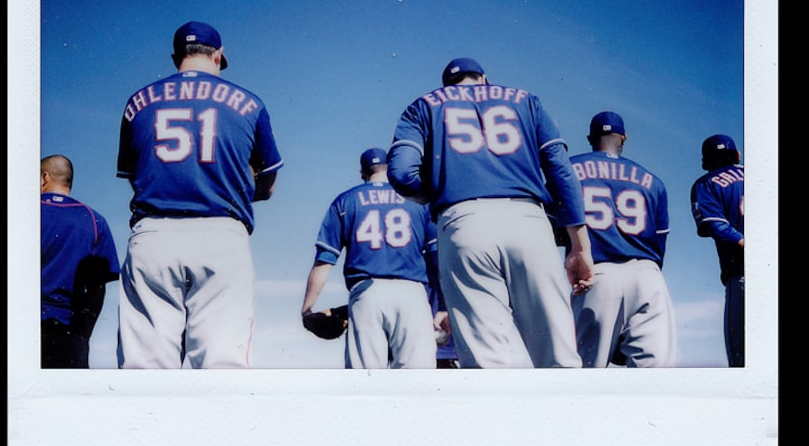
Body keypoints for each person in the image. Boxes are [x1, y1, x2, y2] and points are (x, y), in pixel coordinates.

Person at [387, 57, 594, 368]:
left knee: (487, 366)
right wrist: (579, 245)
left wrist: (441, 191)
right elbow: (560, 169)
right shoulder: (526, 100)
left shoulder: (423, 105)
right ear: (484, 79)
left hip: (463, 221)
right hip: (528, 221)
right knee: (559, 358)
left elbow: (402, 174)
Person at [116, 21, 283, 369]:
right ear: (218, 56)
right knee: (222, 365)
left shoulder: (137, 102)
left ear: (176, 56)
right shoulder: (249, 103)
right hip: (221, 233)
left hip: (153, 233)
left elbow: (135, 177)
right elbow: (268, 183)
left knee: (144, 370)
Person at [301, 148, 438, 369]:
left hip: (366, 293)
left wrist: (307, 308)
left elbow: (325, 260)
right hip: (412, 293)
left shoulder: (346, 200)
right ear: (390, 169)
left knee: (365, 385)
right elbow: (435, 256)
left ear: (362, 172)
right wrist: (440, 306)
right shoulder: (418, 201)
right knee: (418, 384)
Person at [568, 111, 678, 368]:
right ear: (623, 138)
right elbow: (660, 244)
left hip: (596, 275)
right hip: (648, 276)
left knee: (583, 377)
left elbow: (554, 225)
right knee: (655, 384)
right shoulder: (653, 181)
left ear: (591, 139)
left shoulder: (570, 169)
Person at [41, 154, 121, 368]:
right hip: (71, 331)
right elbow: (98, 289)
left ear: (44, 178)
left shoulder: (23, 213)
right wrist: (83, 335)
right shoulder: (95, 220)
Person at [690, 134, 745, 367]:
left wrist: (744, 242)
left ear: (706, 161)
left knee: (742, 360)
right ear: (737, 155)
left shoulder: (706, 183)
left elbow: (714, 224)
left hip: (742, 273)